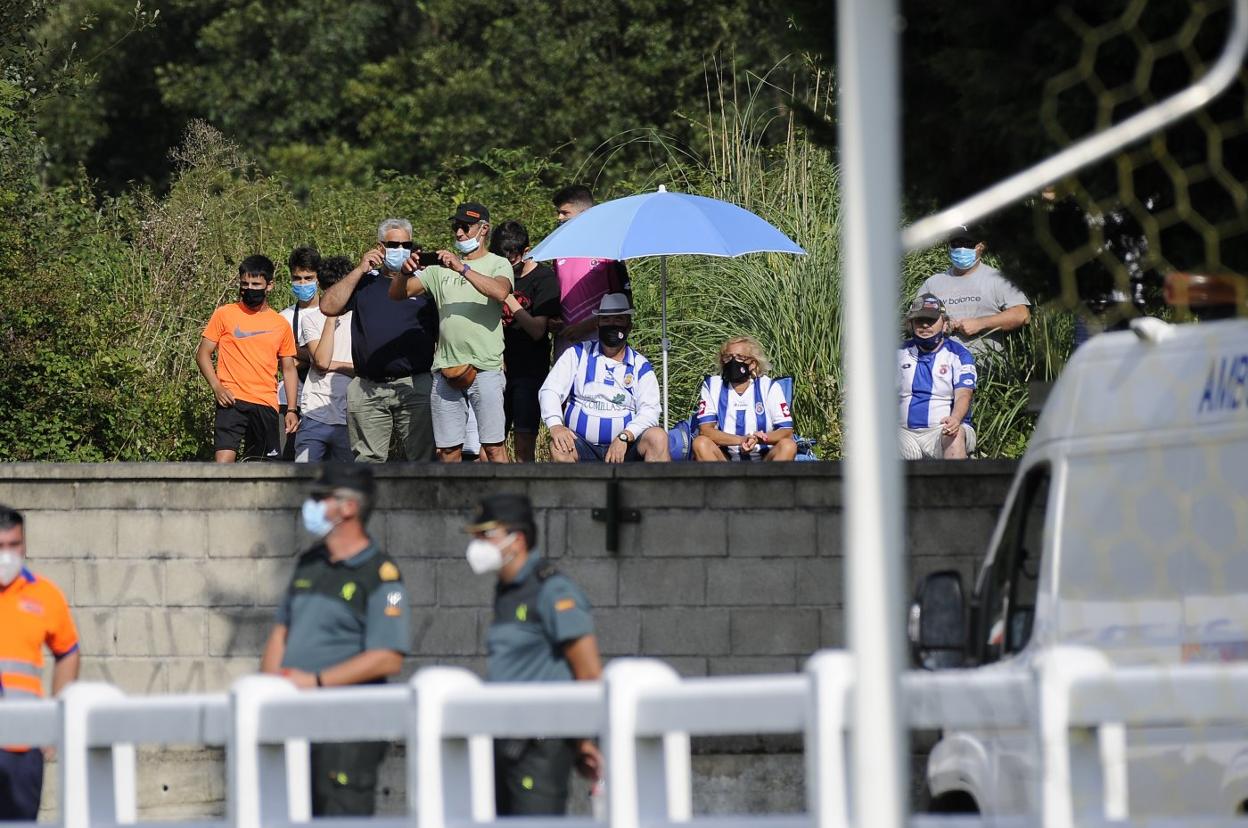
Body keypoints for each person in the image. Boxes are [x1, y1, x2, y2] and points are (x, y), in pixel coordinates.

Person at [260, 465, 409, 816]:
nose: (311, 506)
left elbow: (388, 657)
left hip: (347, 732)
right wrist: (268, 693)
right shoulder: (309, 563)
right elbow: (282, 631)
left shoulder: (381, 575)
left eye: (320, 498)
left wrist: (313, 682)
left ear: (348, 508)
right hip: (293, 724)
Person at [463, 494, 602, 815]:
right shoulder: (507, 590)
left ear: (517, 539)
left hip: (541, 746)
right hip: (504, 740)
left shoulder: (553, 591)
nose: (476, 544)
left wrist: (583, 741)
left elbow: (589, 673)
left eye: (486, 535)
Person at [388, 202, 512, 464]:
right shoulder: (438, 270)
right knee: (447, 451)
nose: (458, 233)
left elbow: (501, 292)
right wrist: (403, 272)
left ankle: (507, 502)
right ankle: (453, 504)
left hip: (486, 368)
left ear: (484, 229)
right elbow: (397, 294)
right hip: (446, 369)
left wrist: (462, 268)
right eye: (455, 226)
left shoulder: (498, 264)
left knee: (493, 448)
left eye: (465, 227)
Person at [318, 219, 439, 463]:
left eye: (406, 244)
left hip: (415, 384)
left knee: (422, 460)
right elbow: (328, 306)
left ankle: (422, 502)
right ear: (380, 247)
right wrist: (359, 269)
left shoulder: (425, 283)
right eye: (394, 244)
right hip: (368, 387)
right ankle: (369, 503)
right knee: (367, 462)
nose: (401, 249)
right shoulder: (364, 282)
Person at [0, 506, 80, 821]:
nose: (7, 555)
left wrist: (54, 719)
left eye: (13, 545)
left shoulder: (45, 595)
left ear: (25, 545)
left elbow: (68, 651)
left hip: (24, 746)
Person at [538, 293, 669, 463]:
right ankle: (575, 490)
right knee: (559, 447)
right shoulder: (577, 354)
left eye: (618, 320)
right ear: (598, 324)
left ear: (628, 326)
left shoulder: (640, 366)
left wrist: (625, 436)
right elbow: (550, 390)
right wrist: (555, 425)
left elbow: (650, 411)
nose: (611, 325)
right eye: (606, 320)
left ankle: (652, 490)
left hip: (626, 446)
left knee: (658, 437)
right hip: (581, 445)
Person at [196, 254, 300, 462]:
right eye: (245, 284)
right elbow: (202, 354)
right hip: (231, 401)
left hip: (265, 404)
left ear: (269, 285)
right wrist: (217, 387)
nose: (249, 289)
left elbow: (288, 369)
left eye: (256, 284)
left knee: (263, 467)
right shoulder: (225, 314)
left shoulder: (280, 324)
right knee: (223, 464)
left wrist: (291, 409)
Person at [492, 220, 560, 462]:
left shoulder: (543, 278)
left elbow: (537, 331)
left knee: (523, 448)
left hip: (529, 372)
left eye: (511, 259)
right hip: (493, 371)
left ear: (527, 251)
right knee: (488, 445)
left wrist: (506, 297)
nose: (506, 265)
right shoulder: (494, 274)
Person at [917, 225, 1030, 353]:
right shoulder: (932, 283)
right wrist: (939, 324)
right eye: (956, 243)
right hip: (940, 367)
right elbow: (912, 322)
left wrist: (981, 323)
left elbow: (1022, 315)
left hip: (985, 369)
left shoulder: (999, 279)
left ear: (982, 246)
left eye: (968, 244)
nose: (961, 248)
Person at [550, 185, 631, 358]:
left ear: (585, 213)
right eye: (558, 212)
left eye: (565, 213)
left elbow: (623, 302)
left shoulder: (608, 249)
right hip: (565, 341)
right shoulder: (558, 248)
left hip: (600, 339)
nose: (559, 217)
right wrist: (553, 320)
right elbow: (557, 293)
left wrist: (587, 326)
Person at [692, 336, 797, 462]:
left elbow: (786, 432)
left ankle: (769, 481)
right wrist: (741, 440)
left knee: (788, 445)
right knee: (700, 443)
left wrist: (759, 438)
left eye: (740, 357)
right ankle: (722, 482)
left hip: (765, 460)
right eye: (728, 357)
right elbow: (705, 430)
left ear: (753, 363)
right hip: (725, 460)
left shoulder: (769, 387)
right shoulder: (712, 385)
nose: (733, 362)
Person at [898, 293, 977, 460]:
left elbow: (964, 394)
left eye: (931, 320)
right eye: (919, 320)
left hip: (942, 431)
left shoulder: (959, 355)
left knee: (954, 436)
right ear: (911, 324)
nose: (925, 325)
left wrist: (955, 419)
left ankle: (955, 486)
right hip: (903, 433)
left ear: (944, 324)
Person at [294, 256, 355, 463]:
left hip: (350, 418)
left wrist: (335, 365)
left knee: (345, 487)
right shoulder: (311, 319)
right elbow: (321, 360)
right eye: (330, 289)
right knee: (303, 479)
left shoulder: (360, 320)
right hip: (314, 416)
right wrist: (330, 315)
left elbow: (365, 369)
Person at [277, 246, 322, 459]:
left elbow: (328, 358)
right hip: (288, 399)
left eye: (308, 277)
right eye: (297, 278)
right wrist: (314, 356)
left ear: (319, 278)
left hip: (323, 401)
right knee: (284, 460)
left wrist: (297, 353)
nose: (302, 284)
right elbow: (283, 363)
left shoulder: (332, 313)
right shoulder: (283, 317)